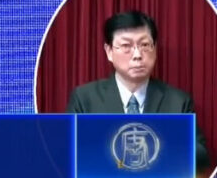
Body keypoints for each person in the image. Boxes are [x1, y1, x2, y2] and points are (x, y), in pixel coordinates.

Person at [66, 10, 209, 170]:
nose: (137, 55)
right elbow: (68, 153)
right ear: (109, 51)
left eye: (145, 45)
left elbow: (202, 157)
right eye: (126, 46)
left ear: (155, 49)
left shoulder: (178, 101)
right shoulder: (85, 99)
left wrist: (157, 144)